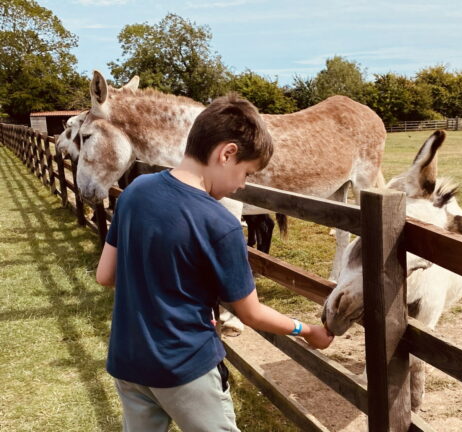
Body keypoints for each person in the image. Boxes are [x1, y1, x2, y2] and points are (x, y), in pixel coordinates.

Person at [95, 93, 334, 431]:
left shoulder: (135, 191)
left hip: (128, 362)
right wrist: (306, 329)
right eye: (247, 173)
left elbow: (105, 275)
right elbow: (251, 313)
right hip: (185, 366)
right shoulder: (219, 223)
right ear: (227, 153)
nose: (242, 185)